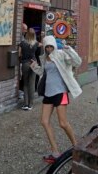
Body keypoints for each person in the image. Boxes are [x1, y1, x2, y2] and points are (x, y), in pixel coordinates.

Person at [30, 35, 82, 163]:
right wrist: (34, 66)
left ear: (54, 45)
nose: (48, 48)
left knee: (63, 123)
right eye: (46, 46)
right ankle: (55, 152)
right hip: (48, 94)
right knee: (44, 121)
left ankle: (78, 147)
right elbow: (42, 72)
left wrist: (69, 49)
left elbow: (77, 62)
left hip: (60, 92)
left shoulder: (61, 54)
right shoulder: (44, 58)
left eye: (50, 46)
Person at [19, 28, 42, 110]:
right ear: (34, 35)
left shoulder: (22, 43)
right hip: (34, 63)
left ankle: (25, 104)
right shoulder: (36, 43)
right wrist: (42, 36)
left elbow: (19, 54)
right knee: (32, 84)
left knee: (25, 84)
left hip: (25, 63)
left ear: (26, 34)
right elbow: (42, 45)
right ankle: (30, 105)